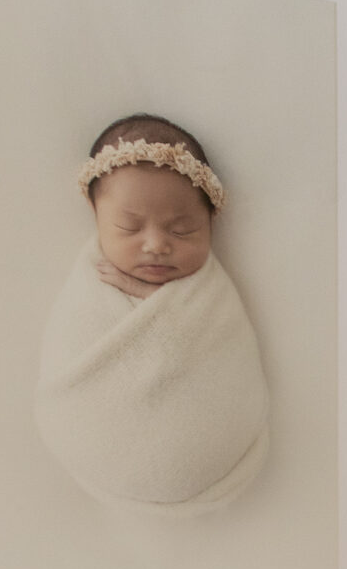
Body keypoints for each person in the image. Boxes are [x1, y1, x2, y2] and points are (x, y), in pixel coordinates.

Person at [35, 114, 270, 516]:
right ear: (96, 217)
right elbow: (69, 356)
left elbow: (215, 342)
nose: (157, 245)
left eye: (182, 231)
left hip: (210, 444)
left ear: (211, 223)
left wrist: (148, 296)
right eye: (129, 228)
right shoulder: (91, 283)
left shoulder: (212, 293)